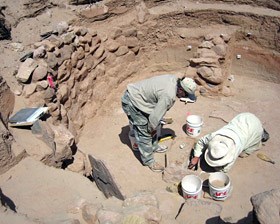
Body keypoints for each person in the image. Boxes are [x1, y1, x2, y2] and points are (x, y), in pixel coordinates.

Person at [121, 74, 197, 172]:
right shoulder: (168, 95)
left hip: (141, 99)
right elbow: (154, 118)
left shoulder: (174, 79)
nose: (184, 97)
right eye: (185, 95)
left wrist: (153, 126)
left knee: (154, 126)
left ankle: (153, 146)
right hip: (132, 102)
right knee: (144, 133)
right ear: (181, 90)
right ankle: (149, 161)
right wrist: (149, 129)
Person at [188, 112, 269, 172]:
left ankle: (262, 133)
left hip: (254, 130)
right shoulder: (214, 136)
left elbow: (224, 170)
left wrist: (215, 168)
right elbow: (201, 142)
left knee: (243, 154)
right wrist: (196, 156)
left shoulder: (234, 153)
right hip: (243, 119)